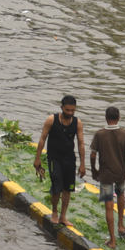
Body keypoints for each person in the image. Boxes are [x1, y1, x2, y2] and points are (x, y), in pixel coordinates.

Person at [34, 95, 86, 227]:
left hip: (69, 159)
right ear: (61, 108)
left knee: (67, 188)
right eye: (67, 110)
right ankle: (55, 212)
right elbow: (42, 139)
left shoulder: (77, 123)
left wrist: (83, 164)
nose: (70, 113)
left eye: (72, 110)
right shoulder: (52, 120)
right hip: (54, 158)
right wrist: (37, 158)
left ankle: (63, 216)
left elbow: (81, 144)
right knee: (57, 186)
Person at [89, 106, 125, 249]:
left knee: (109, 206)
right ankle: (121, 226)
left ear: (106, 118)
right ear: (119, 117)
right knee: (121, 194)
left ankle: (112, 241)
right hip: (121, 172)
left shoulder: (99, 134)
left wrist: (94, 170)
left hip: (105, 174)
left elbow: (93, 154)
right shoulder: (124, 133)